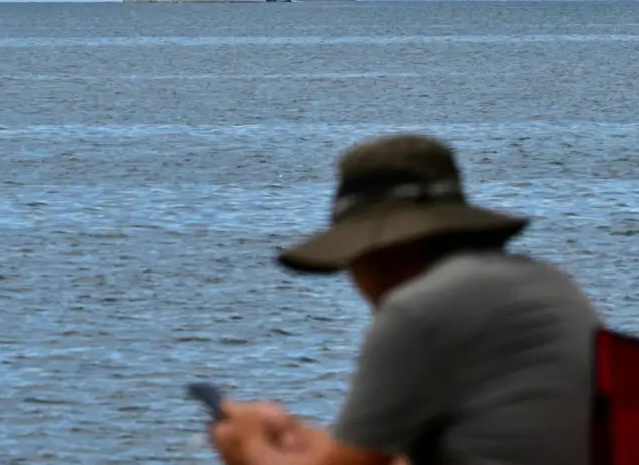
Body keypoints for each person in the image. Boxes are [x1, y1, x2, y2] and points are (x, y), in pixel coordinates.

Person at [208, 134, 601, 465]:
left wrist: (249, 447)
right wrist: (305, 442)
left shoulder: (419, 310)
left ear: (378, 252)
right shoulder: (547, 282)